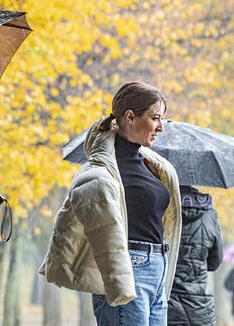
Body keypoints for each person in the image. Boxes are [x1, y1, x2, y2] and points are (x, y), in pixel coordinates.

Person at [40, 81, 182, 325]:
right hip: (127, 270)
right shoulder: (98, 173)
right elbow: (100, 236)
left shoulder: (153, 166)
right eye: (155, 118)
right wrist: (118, 284)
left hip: (158, 268)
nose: (160, 127)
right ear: (130, 117)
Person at [167, 186, 223, 325]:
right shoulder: (210, 216)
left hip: (168, 299)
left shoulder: (163, 210)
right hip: (199, 303)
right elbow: (215, 262)